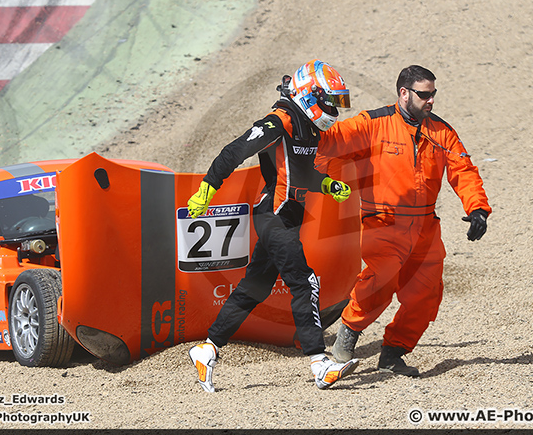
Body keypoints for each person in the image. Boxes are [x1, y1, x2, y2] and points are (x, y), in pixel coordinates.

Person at [187, 60, 360, 392]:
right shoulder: (279, 121)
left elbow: (301, 172)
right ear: (311, 95)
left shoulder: (308, 127)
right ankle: (319, 362)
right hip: (273, 215)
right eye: (331, 101)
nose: (335, 109)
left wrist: (326, 185)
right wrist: (208, 188)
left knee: (254, 288)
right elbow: (233, 151)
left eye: (338, 102)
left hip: (289, 216)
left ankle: (207, 349)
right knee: (304, 281)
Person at [315, 65, 491, 377]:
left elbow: (463, 170)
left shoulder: (442, 132)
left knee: (425, 296)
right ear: (404, 93)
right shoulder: (372, 123)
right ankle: (345, 339)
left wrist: (477, 208)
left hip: (425, 227)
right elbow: (329, 142)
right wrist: (298, 119)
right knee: (379, 284)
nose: (431, 100)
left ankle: (393, 354)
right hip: (382, 223)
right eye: (424, 94)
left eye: (433, 94)